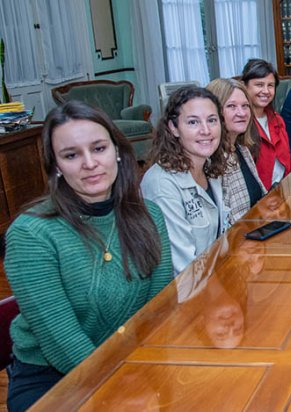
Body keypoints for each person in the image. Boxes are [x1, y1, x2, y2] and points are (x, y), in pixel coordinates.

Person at [4, 101, 173, 411]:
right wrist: (125, 391)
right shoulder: (31, 234)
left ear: (118, 152)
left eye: (98, 148)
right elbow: (62, 342)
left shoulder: (149, 215)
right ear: (55, 166)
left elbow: (160, 309)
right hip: (55, 379)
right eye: (71, 155)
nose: (89, 163)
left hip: (133, 361)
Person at [141, 86, 230, 275]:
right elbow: (182, 270)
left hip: (214, 277)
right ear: (173, 128)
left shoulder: (210, 167)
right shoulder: (161, 184)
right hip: (186, 293)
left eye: (212, 120)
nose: (206, 130)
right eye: (193, 122)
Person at [207, 78, 268, 227]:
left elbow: (261, 198)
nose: (241, 113)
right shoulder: (210, 159)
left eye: (245, 106)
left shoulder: (242, 150)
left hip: (257, 232)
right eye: (231, 106)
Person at [241, 59, 291, 190]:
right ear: (244, 86)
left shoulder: (277, 120)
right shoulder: (241, 124)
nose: (266, 91)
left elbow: (288, 162)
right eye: (259, 85)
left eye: (270, 85)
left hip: (284, 190)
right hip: (258, 198)